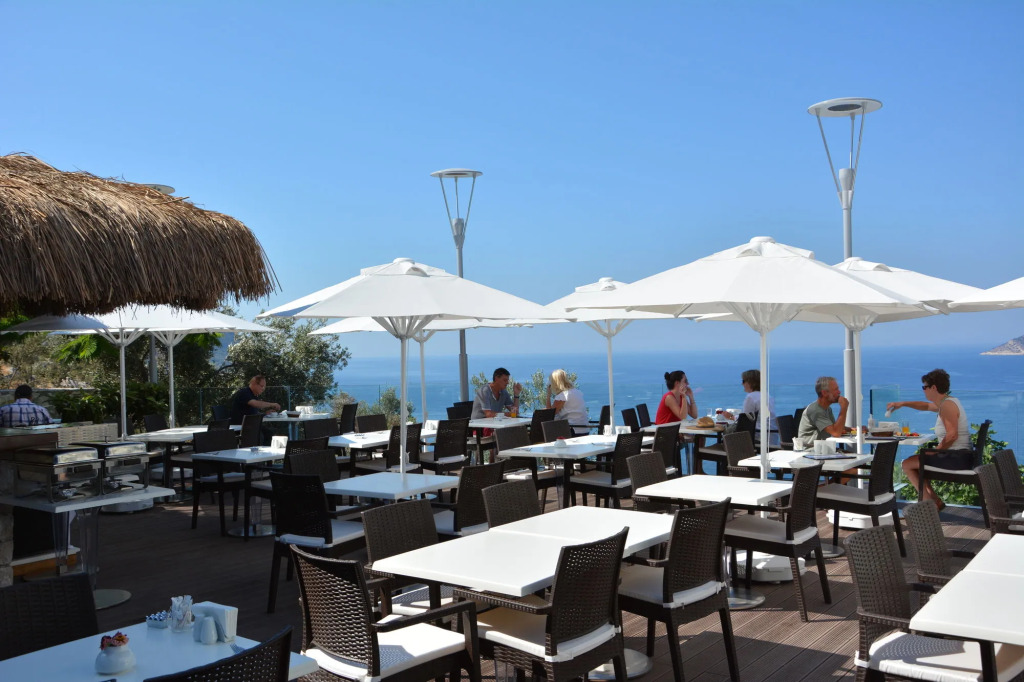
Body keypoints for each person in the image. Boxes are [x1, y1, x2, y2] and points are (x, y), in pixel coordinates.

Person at [887, 368, 970, 509]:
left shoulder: (947, 406)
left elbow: (952, 435)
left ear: (934, 388)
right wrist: (902, 404)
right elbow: (925, 406)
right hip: (959, 455)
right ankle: (934, 501)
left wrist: (935, 451)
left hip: (956, 458)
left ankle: (928, 506)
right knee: (916, 462)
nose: (923, 390)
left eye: (924, 387)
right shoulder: (947, 402)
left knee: (907, 464)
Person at [723, 368, 777, 443]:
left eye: (743, 381)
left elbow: (746, 421)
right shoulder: (767, 395)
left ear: (750, 382)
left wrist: (730, 417)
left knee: (725, 439)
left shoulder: (751, 397)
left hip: (758, 438)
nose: (742, 384)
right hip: (772, 437)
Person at [797, 376, 850, 441]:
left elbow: (835, 427)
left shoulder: (828, 409)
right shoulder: (815, 410)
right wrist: (844, 408)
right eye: (835, 389)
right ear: (824, 393)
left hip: (823, 446)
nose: (839, 392)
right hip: (811, 447)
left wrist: (853, 430)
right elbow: (836, 433)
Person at [546, 369, 588, 436]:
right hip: (584, 429)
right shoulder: (577, 392)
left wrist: (548, 396)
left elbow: (550, 414)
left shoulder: (562, 396)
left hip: (572, 430)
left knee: (546, 431)